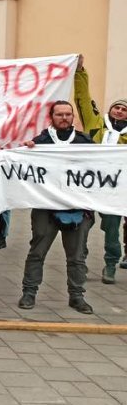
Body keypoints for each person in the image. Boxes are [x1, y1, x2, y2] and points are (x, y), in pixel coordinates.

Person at [18, 101, 96, 314]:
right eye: (59, 114)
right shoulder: (39, 142)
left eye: (68, 114)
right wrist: (27, 151)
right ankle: (29, 292)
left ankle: (77, 296)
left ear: (73, 117)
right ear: (51, 117)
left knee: (77, 256)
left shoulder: (85, 142)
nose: (64, 118)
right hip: (46, 208)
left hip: (78, 209)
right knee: (37, 252)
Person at [73, 55, 127, 284]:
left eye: (124, 109)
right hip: (89, 184)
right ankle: (80, 262)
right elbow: (83, 99)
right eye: (116, 107)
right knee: (82, 226)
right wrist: (80, 71)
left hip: (115, 189)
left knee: (112, 230)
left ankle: (111, 264)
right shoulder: (96, 123)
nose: (119, 111)